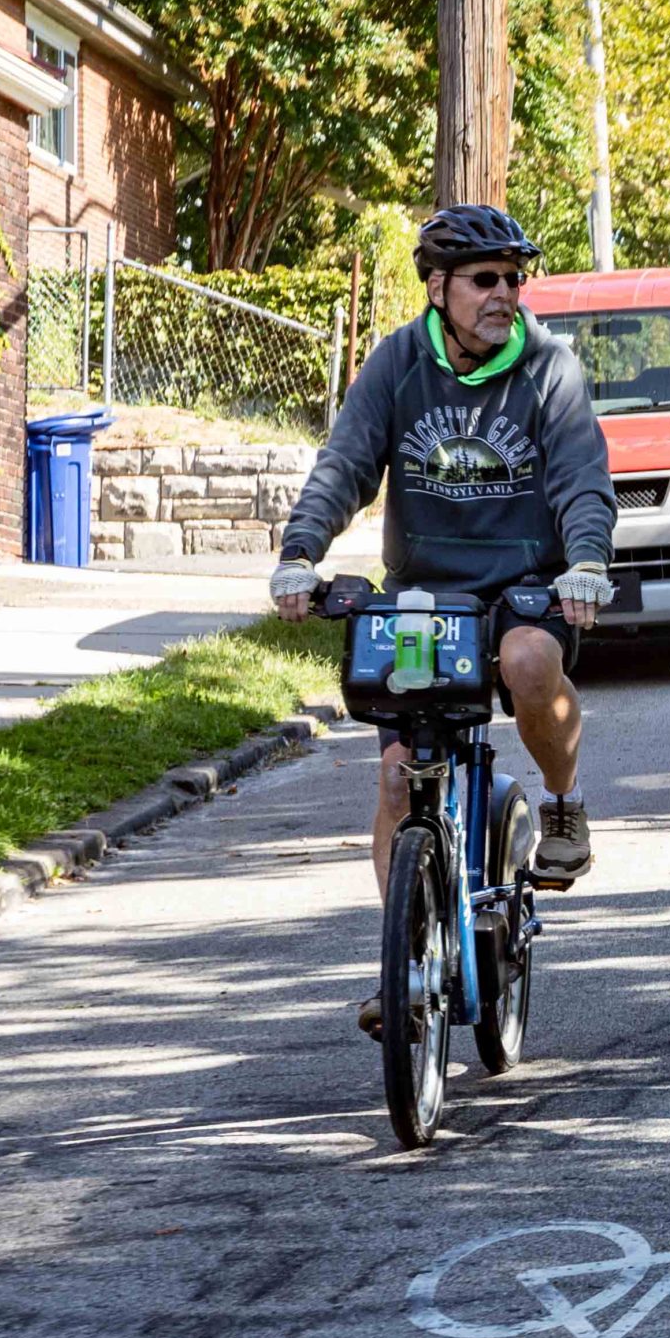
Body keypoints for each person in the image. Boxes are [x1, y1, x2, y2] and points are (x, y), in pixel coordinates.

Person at [272, 205, 618, 1030]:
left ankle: (563, 800)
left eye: (511, 279)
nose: (504, 295)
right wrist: (301, 551)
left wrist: (587, 563)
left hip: (525, 587)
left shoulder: (548, 368)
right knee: (397, 775)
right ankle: (406, 962)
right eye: (484, 280)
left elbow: (580, 477)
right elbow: (346, 462)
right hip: (425, 597)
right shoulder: (395, 362)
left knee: (533, 665)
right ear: (439, 288)